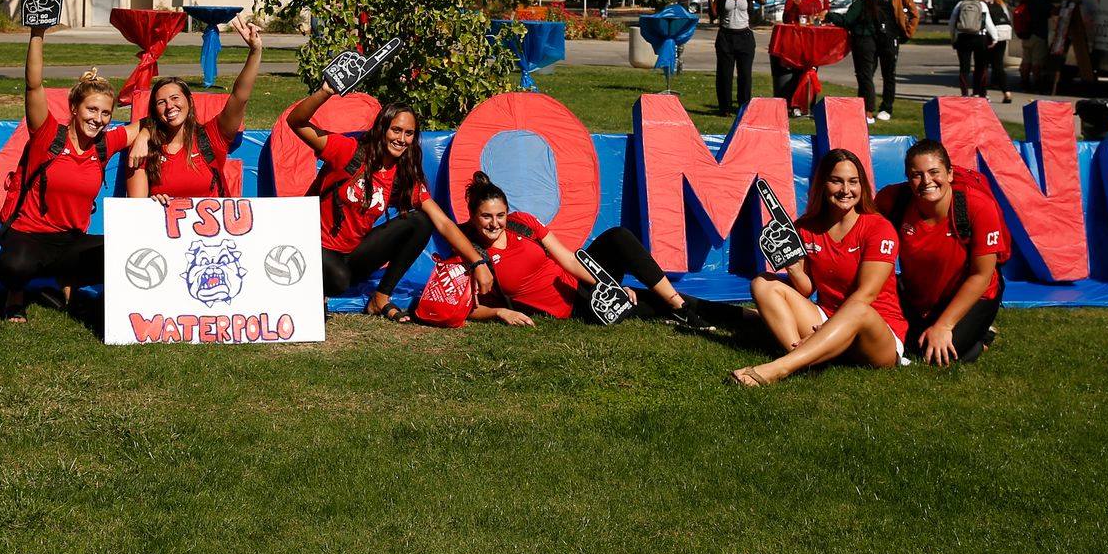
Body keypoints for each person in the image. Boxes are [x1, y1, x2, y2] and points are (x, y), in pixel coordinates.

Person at [286, 81, 495, 321]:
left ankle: (381, 297)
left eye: (409, 133)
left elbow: (443, 223)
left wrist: (477, 262)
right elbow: (296, 123)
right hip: (312, 245)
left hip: (351, 255)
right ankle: (314, 291)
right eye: (396, 130)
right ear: (382, 128)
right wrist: (325, 92)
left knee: (420, 222)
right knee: (339, 279)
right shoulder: (348, 151)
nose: (402, 139)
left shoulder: (401, 176)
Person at [456, 171, 724, 328]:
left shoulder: (522, 222)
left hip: (585, 281)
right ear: (472, 215)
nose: (495, 223)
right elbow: (467, 307)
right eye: (486, 217)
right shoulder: (471, 252)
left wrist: (607, 285)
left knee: (618, 236)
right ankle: (744, 316)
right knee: (654, 306)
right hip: (575, 308)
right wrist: (500, 312)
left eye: (500, 215)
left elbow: (568, 261)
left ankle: (679, 305)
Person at [731, 149, 907, 386]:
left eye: (853, 182)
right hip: (827, 317)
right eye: (836, 181)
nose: (846, 190)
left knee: (858, 308)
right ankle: (804, 359)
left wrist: (825, 330)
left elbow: (867, 295)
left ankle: (779, 369)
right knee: (763, 283)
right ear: (822, 184)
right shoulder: (806, 227)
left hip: (876, 332)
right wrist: (793, 267)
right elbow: (806, 289)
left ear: (862, 186)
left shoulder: (879, 227)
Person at [0, 23, 127, 324]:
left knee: (123, 249)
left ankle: (68, 283)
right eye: (92, 110)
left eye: (106, 113)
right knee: (15, 266)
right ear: (75, 108)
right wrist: (37, 35)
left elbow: (145, 127)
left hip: (69, 242)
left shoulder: (104, 144)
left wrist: (143, 137)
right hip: (28, 236)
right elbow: (33, 86)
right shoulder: (48, 135)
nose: (98, 119)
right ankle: (15, 295)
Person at [877, 140, 1004, 365]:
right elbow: (859, 227)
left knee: (938, 356)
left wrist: (943, 326)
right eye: (917, 175)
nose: (927, 181)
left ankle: (982, 335)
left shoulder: (977, 206)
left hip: (975, 293)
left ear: (950, 173)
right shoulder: (892, 200)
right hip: (920, 296)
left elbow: (981, 275)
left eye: (934, 172)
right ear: (907, 178)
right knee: (901, 345)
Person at [126, 17, 262, 200]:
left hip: (215, 228)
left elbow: (240, 97)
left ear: (189, 102)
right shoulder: (144, 150)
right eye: (161, 102)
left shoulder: (212, 137)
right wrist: (151, 204)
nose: (169, 106)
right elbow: (136, 211)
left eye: (175, 98)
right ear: (155, 110)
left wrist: (255, 51)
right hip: (163, 227)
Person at [845, 0, 920, 123]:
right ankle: (864, 106)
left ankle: (886, 107)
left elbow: (914, 14)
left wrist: (907, 32)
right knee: (867, 73)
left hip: (891, 36)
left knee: (889, 73)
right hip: (874, 36)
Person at [772, 0, 831, 115]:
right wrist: (796, 7)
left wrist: (823, 14)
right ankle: (794, 105)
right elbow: (786, 18)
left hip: (814, 42)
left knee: (811, 72)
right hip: (797, 41)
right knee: (796, 73)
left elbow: (826, 12)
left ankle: (808, 104)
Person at [711, 0, 760, 115]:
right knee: (724, 75)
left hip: (744, 37)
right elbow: (714, 15)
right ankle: (724, 108)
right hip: (726, 37)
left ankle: (743, 107)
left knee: (745, 75)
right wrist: (710, 1)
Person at [950, 0, 988, 97]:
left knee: (964, 68)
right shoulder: (982, 5)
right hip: (980, 37)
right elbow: (988, 23)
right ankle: (978, 92)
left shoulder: (960, 4)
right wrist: (995, 38)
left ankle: (964, 93)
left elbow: (952, 23)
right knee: (980, 67)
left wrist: (953, 37)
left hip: (963, 37)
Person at [1016, 0, 1052, 92]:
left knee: (1026, 60)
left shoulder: (1024, 1)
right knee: (1037, 62)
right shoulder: (1040, 1)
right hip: (1038, 35)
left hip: (1025, 35)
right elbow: (1052, 11)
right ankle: (1038, 84)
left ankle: (1025, 83)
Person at [980, 0, 1013, 104]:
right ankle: (1007, 92)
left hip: (989, 35)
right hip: (1003, 33)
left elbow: (984, 20)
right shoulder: (999, 0)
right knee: (998, 65)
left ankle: (982, 93)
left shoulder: (981, 1)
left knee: (983, 65)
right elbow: (1007, 17)